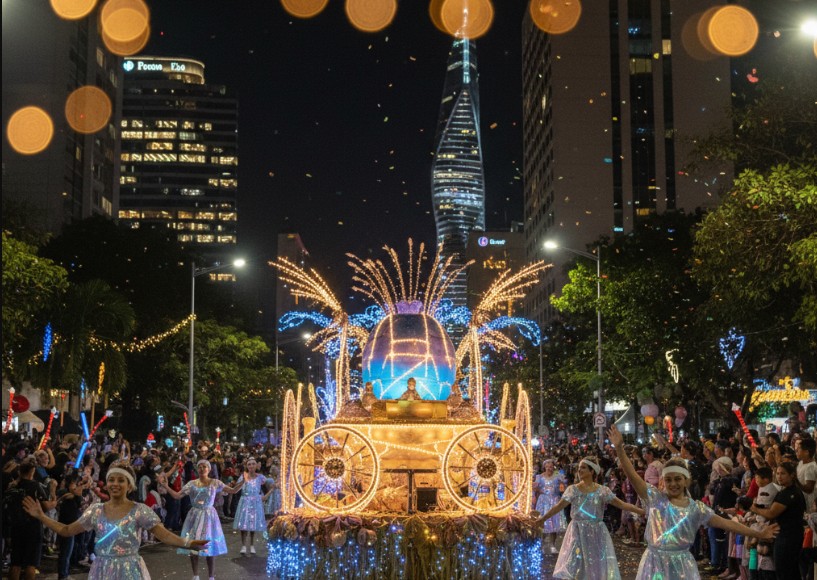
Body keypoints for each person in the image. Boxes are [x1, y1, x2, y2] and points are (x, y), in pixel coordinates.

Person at [608, 425, 778, 580]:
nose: (673, 484)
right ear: (663, 481)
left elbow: (727, 524)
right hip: (654, 563)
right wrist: (619, 448)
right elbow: (632, 476)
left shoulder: (696, 509)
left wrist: (759, 534)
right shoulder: (656, 499)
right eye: (668, 480)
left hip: (682, 566)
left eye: (677, 479)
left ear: (686, 480)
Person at [22, 461, 208, 579]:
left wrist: (188, 543)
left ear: (129, 486)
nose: (115, 484)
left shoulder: (139, 511)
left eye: (121, 480)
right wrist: (41, 516)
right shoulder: (96, 511)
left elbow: (164, 535)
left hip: (130, 570)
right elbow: (66, 530)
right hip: (102, 570)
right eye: (111, 480)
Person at [540, 454, 644, 578]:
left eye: (583, 468)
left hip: (596, 532)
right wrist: (542, 519)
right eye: (579, 468)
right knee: (576, 561)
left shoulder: (602, 491)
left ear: (592, 471)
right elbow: (558, 507)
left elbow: (622, 504)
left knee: (595, 562)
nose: (579, 470)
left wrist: (642, 511)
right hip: (577, 531)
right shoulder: (572, 490)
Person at [159, 459, 243, 580]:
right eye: (200, 467)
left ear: (209, 469)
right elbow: (177, 496)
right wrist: (165, 486)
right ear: (197, 469)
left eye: (205, 467)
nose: (202, 469)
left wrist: (243, 482)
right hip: (194, 516)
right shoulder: (192, 483)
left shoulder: (215, 482)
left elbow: (233, 490)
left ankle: (211, 576)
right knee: (194, 545)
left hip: (209, 516)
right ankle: (196, 575)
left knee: (209, 545)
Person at [748, 462, 807, 580]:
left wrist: (753, 508)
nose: (779, 476)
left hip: (787, 537)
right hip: (790, 535)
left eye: (783, 474)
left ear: (792, 475)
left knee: (784, 571)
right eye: (778, 473)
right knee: (790, 570)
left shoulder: (789, 493)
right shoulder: (788, 491)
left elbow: (771, 513)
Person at [7, 456, 56, 580]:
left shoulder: (13, 486)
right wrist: (54, 495)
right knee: (31, 563)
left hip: (16, 526)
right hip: (32, 527)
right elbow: (45, 506)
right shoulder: (35, 486)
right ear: (32, 471)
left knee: (16, 562)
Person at [233, 457, 268, 554]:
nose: (251, 466)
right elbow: (236, 488)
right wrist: (242, 481)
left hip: (255, 502)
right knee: (244, 525)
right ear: (247, 466)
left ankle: (252, 545)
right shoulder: (243, 476)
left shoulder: (260, 477)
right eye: (249, 464)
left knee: (253, 524)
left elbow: (267, 486)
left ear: (256, 465)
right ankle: (244, 545)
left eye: (253, 464)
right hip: (245, 502)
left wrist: (265, 496)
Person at [533, 459, 566, 554]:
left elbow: (563, 487)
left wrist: (562, 485)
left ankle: (553, 545)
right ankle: (541, 544)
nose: (549, 468)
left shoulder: (558, 477)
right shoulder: (539, 477)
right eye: (547, 466)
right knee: (542, 522)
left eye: (551, 466)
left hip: (554, 501)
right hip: (543, 502)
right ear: (544, 467)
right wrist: (538, 490)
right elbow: (535, 488)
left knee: (554, 524)